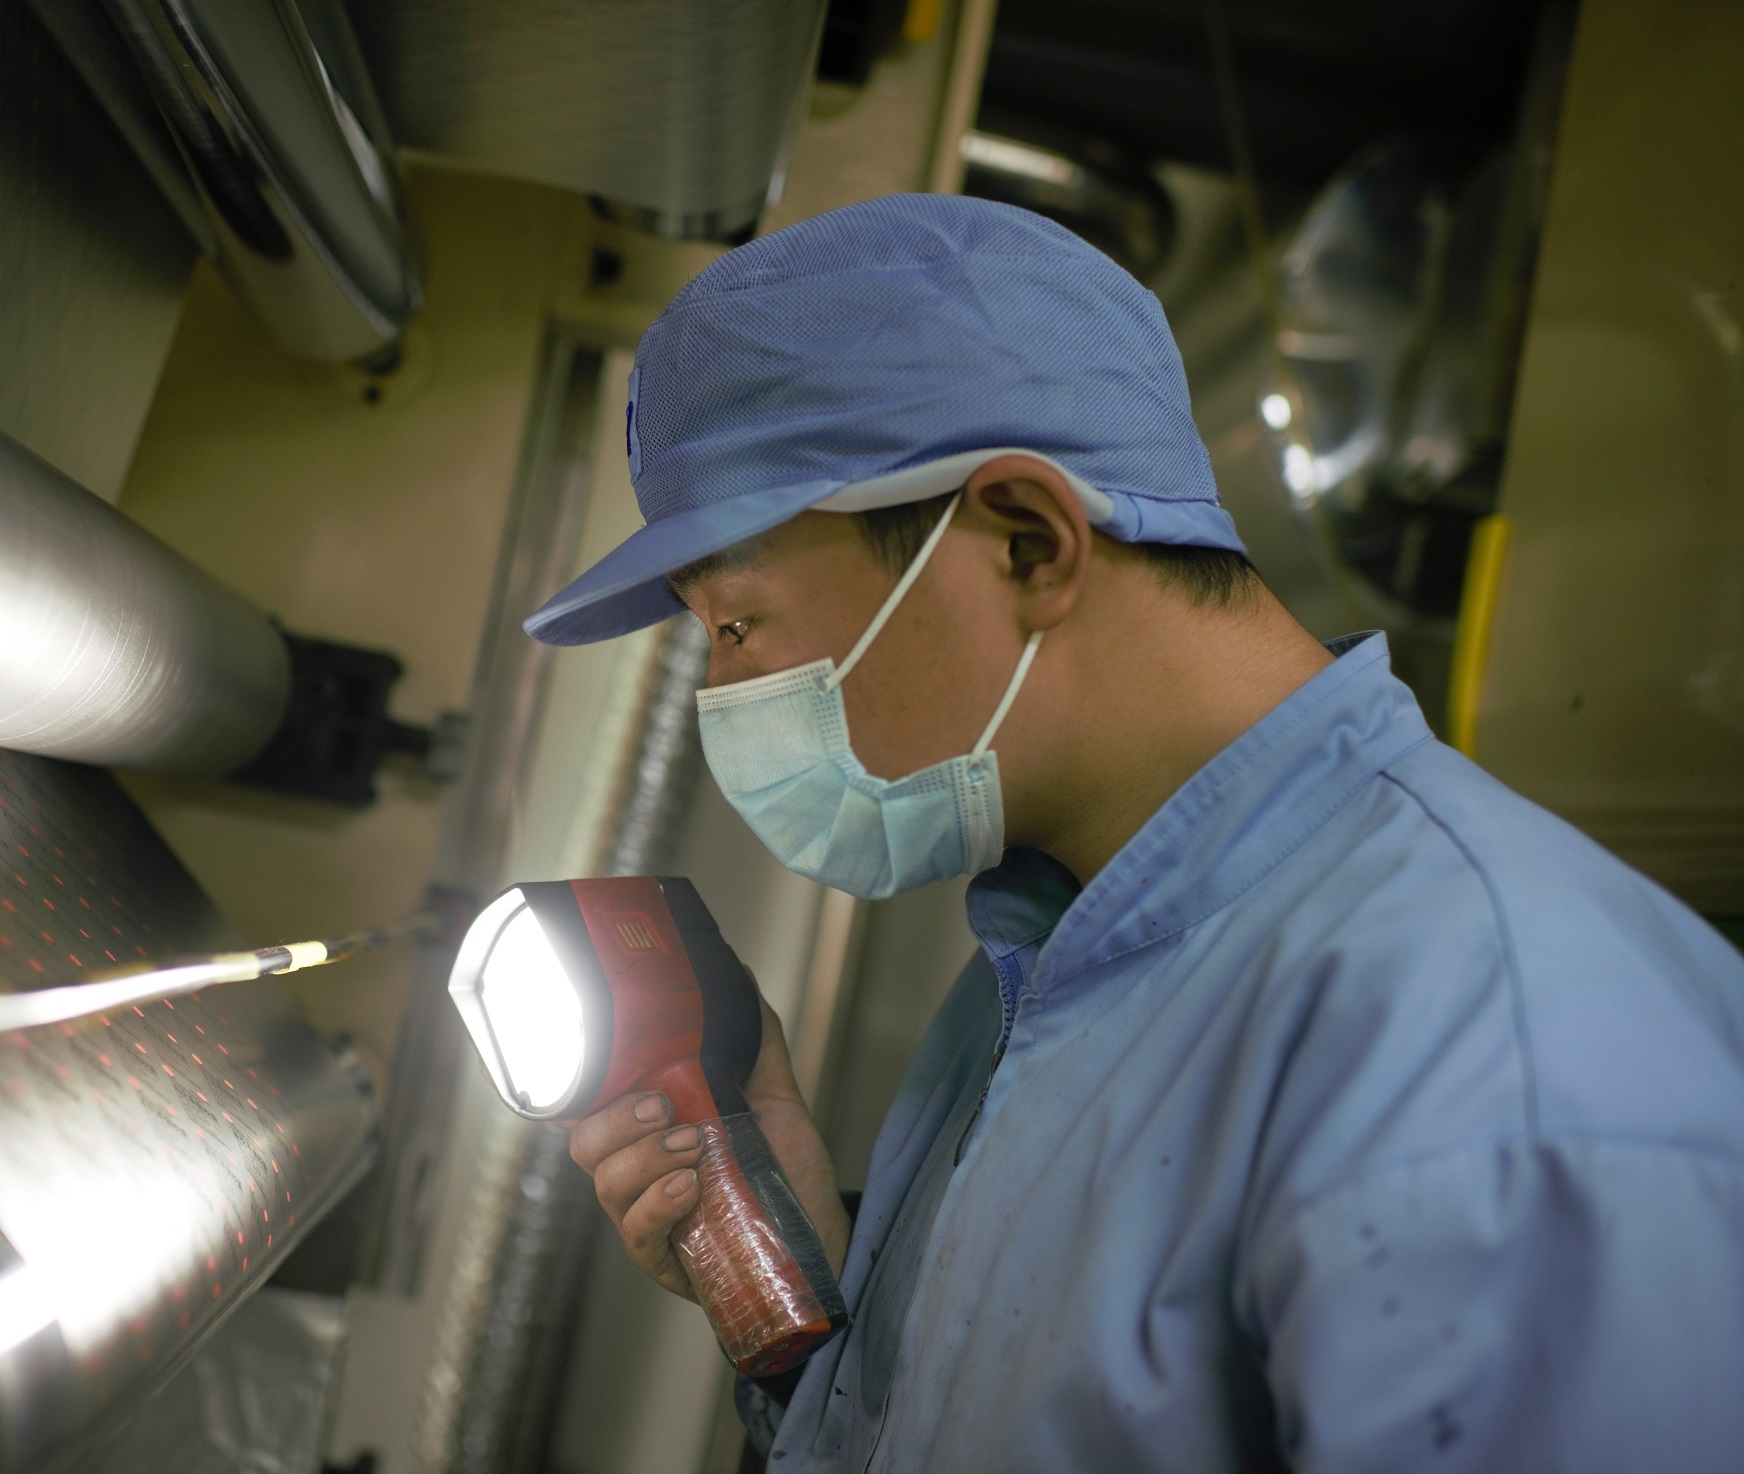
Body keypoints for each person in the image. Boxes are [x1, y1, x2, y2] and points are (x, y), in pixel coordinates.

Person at [520, 195, 1744, 1472]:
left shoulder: (1492, 1051)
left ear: (1029, 540)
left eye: (733, 627)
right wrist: (802, 1300)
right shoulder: (1051, 961)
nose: (724, 699)